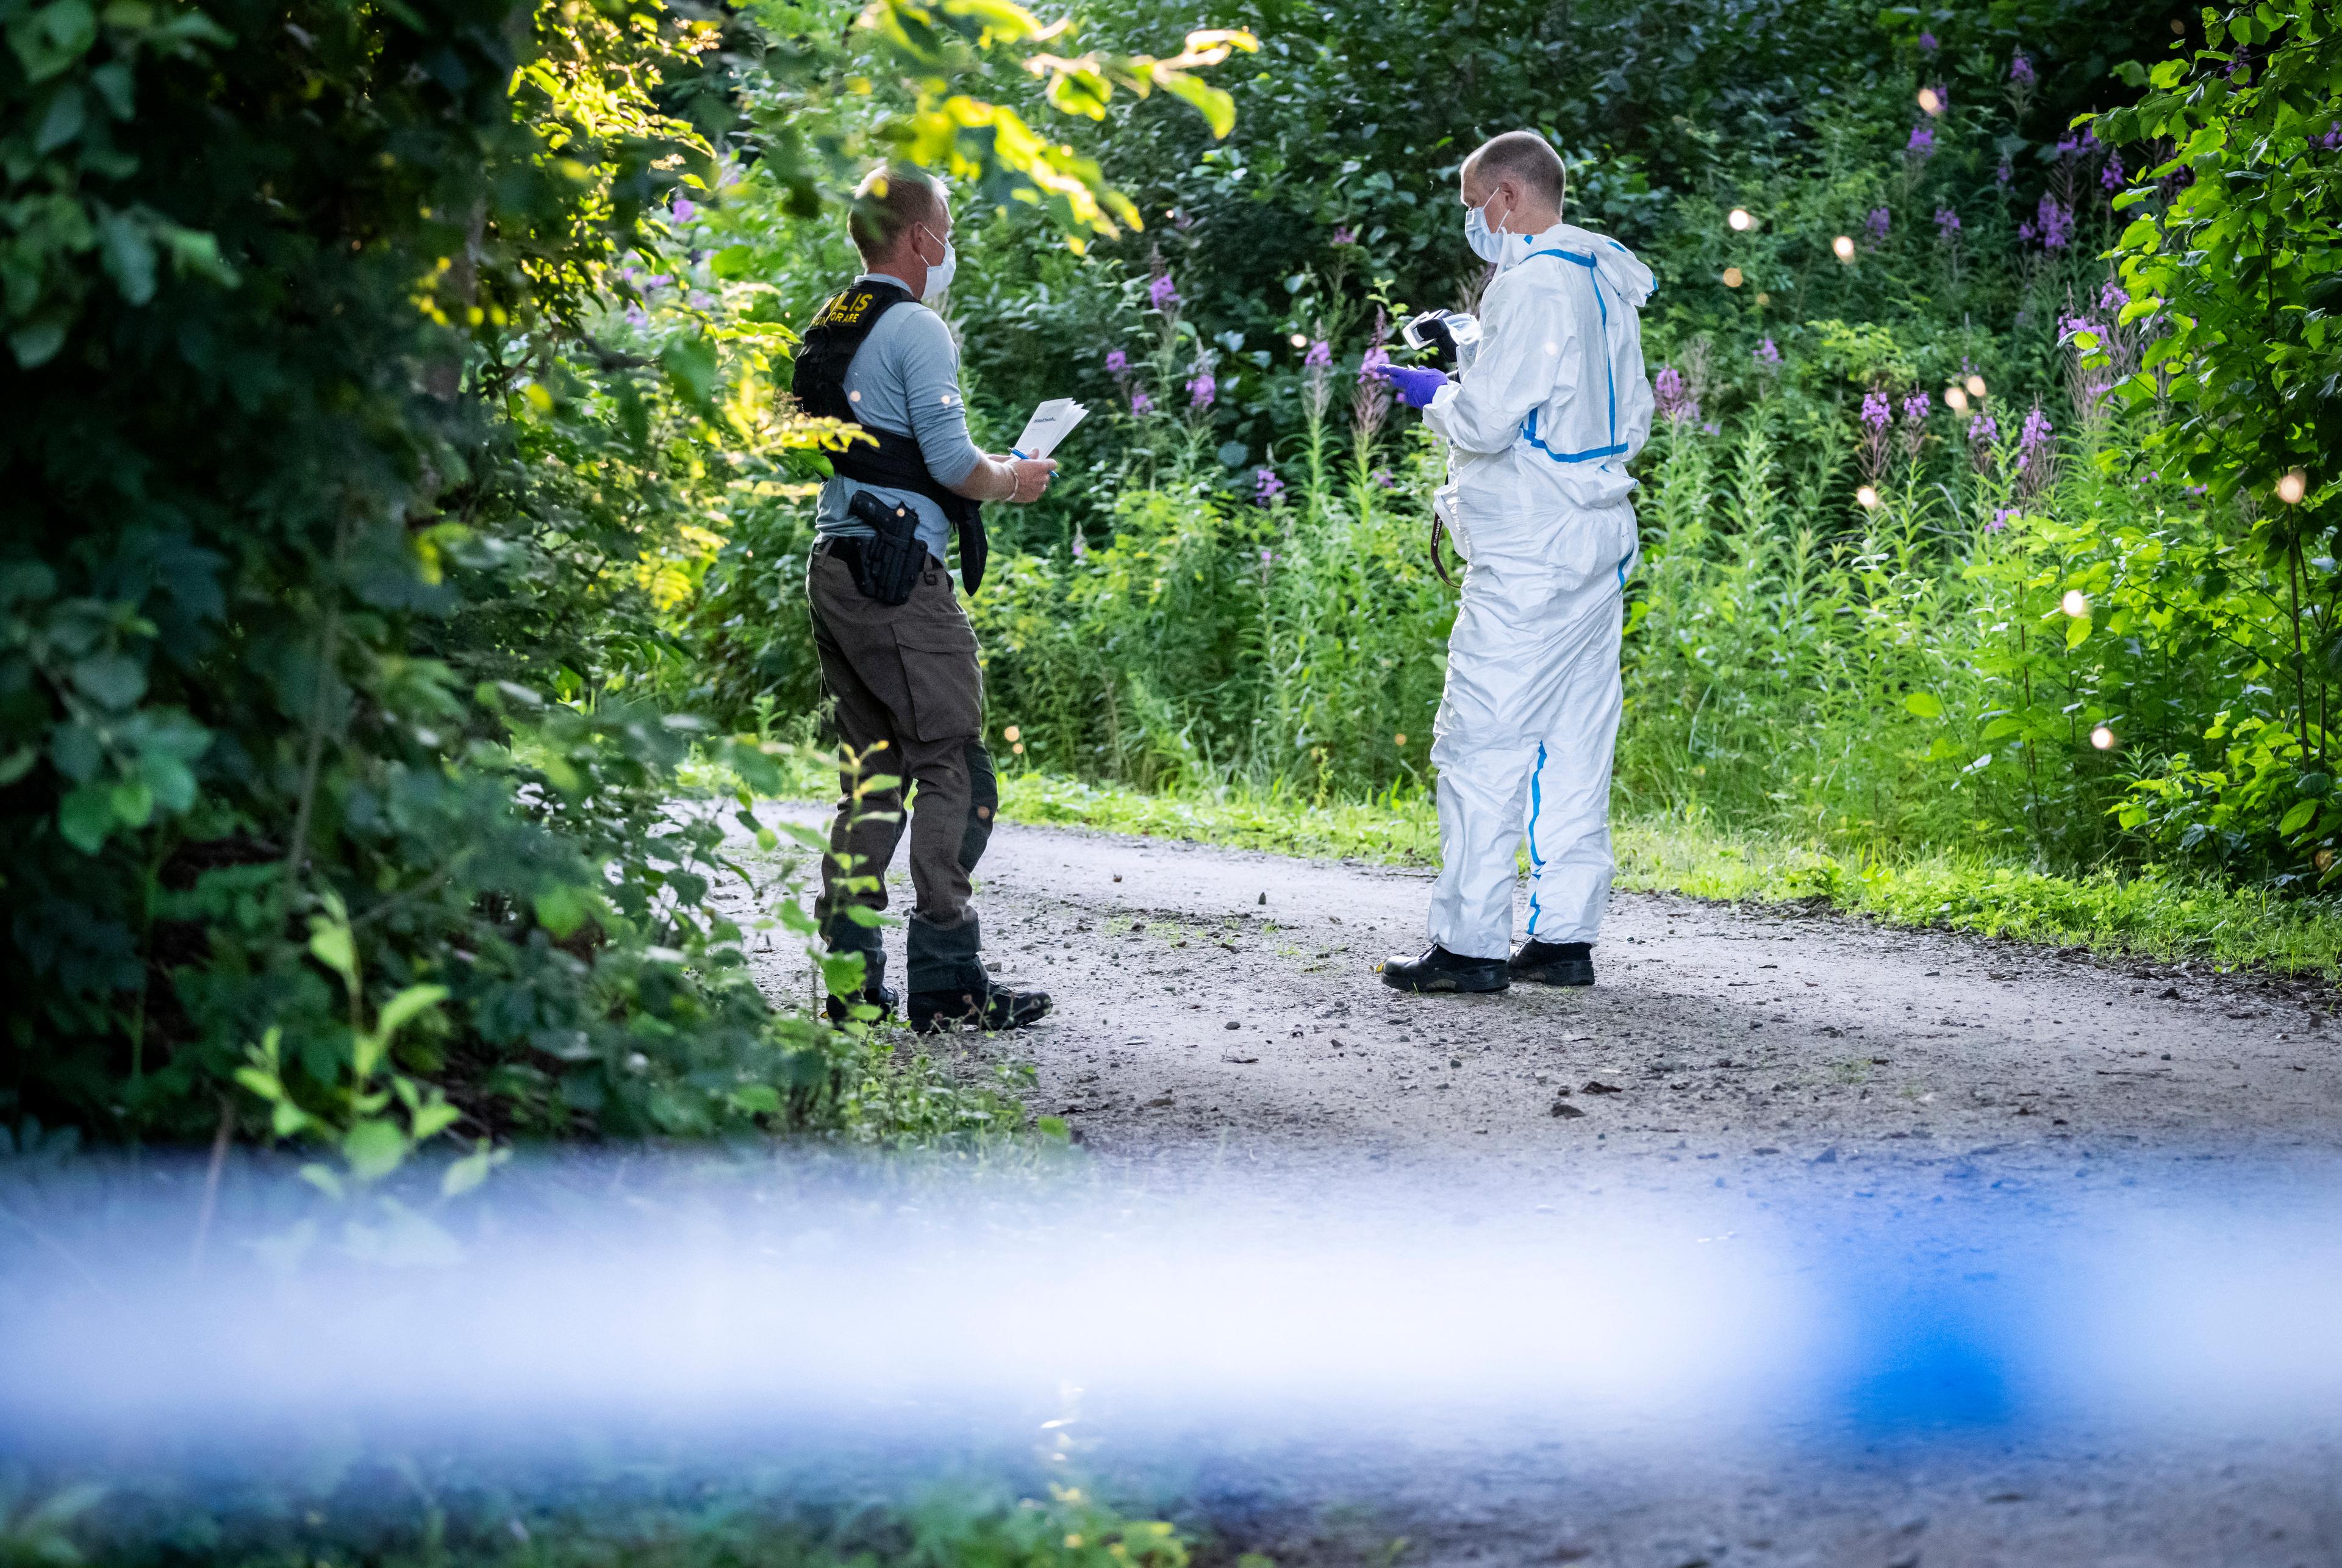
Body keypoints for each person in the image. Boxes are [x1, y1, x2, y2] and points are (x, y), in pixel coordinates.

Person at [1372, 131, 1655, 993]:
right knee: (1574, 742)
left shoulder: (1531, 286)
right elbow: (1590, 408)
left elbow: (1492, 423)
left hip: (1532, 551)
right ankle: (1564, 939)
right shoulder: (1605, 278)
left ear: (1505, 197)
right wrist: (1470, 358)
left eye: (1473, 207)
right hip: (1596, 540)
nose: (1474, 225)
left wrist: (1434, 397)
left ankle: (1468, 947)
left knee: (1484, 740)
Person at [795, 163, 1060, 1033]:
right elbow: (951, 464)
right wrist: (1014, 480)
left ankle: (850, 983)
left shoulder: (832, 324)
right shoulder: (916, 326)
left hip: (837, 561)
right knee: (953, 764)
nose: (949, 243)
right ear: (920, 238)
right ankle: (948, 980)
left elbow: (880, 447)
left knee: (873, 775)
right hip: (901, 579)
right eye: (945, 226)